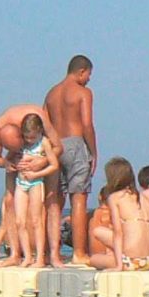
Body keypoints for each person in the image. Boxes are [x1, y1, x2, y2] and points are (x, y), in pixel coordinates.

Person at [0, 104, 64, 267]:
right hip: (17, 166)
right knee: (9, 201)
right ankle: (15, 254)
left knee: (51, 200)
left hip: (42, 159)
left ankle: (53, 254)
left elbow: (58, 147)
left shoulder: (37, 117)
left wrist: (41, 161)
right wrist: (7, 163)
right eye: (11, 148)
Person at [44, 55, 97, 264]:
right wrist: (93, 152)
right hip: (75, 144)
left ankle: (51, 252)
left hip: (55, 145)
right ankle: (79, 253)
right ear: (82, 71)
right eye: (89, 75)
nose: (89, 79)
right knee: (78, 198)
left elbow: (44, 123)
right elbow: (87, 124)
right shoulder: (83, 92)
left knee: (54, 200)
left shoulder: (51, 93)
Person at [89, 158, 149, 270]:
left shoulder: (114, 198)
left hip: (131, 262)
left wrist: (119, 266)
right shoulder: (145, 199)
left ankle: (119, 261)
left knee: (94, 259)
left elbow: (118, 233)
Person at [10, 114, 60, 268]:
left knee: (37, 220)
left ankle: (39, 257)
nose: (29, 140)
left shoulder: (43, 143)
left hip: (36, 182)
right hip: (21, 183)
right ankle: (27, 256)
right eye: (27, 137)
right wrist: (13, 164)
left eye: (32, 137)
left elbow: (54, 165)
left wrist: (36, 174)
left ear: (39, 131)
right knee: (19, 221)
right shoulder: (20, 143)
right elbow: (9, 158)